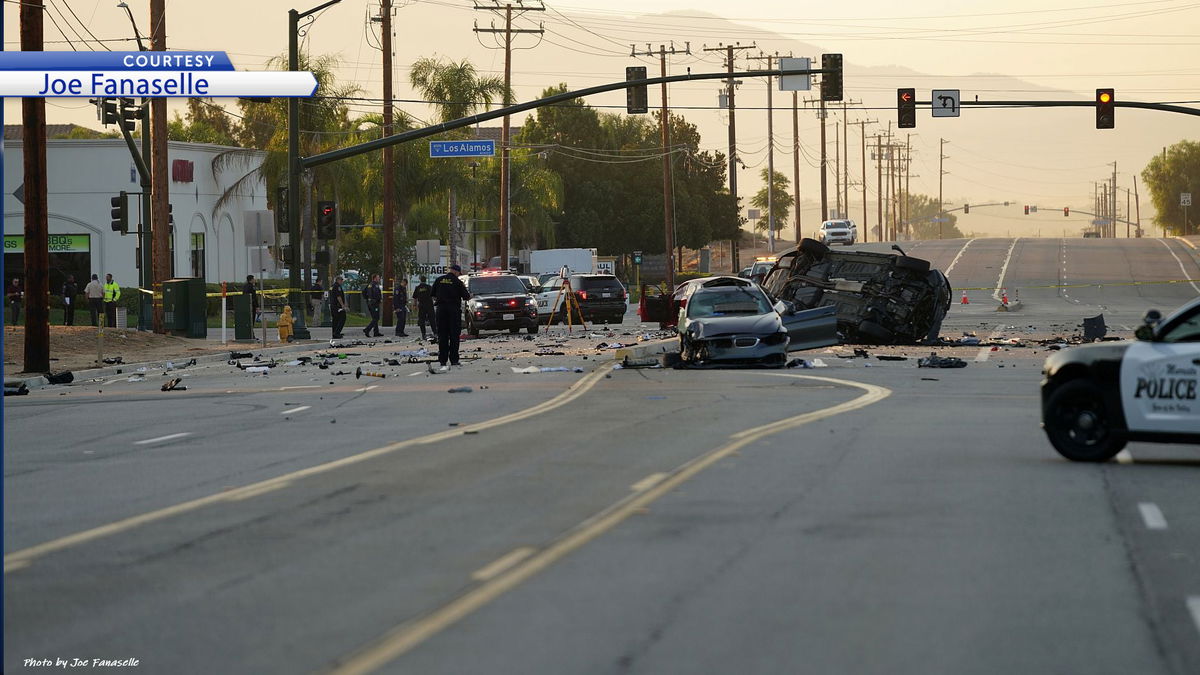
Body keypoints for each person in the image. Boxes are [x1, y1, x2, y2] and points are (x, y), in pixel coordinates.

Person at [432, 264, 470, 371]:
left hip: (441, 310)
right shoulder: (458, 282)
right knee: (454, 335)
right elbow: (466, 296)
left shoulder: (439, 280)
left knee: (442, 335)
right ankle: (454, 359)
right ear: (457, 272)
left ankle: (442, 360)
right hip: (453, 311)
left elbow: (433, 295)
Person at [412, 274, 435, 341]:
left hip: (422, 306)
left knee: (422, 320)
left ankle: (423, 334)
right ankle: (435, 332)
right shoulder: (429, 287)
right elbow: (433, 296)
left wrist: (415, 305)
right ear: (426, 280)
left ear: (420, 280)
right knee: (432, 319)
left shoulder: (418, 288)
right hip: (429, 305)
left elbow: (415, 298)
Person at [362, 273, 383, 338]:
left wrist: (367, 299)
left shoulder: (370, 284)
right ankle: (367, 329)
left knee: (374, 318)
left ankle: (376, 332)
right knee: (376, 318)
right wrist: (375, 300)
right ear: (375, 278)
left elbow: (364, 292)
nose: (379, 278)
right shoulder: (374, 285)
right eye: (378, 277)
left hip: (371, 303)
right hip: (374, 303)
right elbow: (375, 294)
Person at [329, 274, 348, 339]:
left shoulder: (332, 286)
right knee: (343, 318)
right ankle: (337, 332)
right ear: (338, 280)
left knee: (335, 320)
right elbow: (338, 297)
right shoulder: (337, 286)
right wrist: (342, 305)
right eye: (341, 280)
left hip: (333, 305)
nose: (342, 282)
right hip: (337, 306)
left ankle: (334, 333)